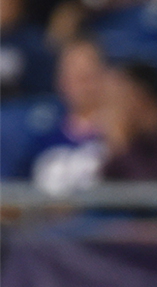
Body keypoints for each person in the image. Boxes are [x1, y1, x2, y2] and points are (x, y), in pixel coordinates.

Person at [26, 36, 109, 195]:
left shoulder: (119, 134)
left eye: (86, 77)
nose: (80, 86)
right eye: (71, 76)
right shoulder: (43, 135)